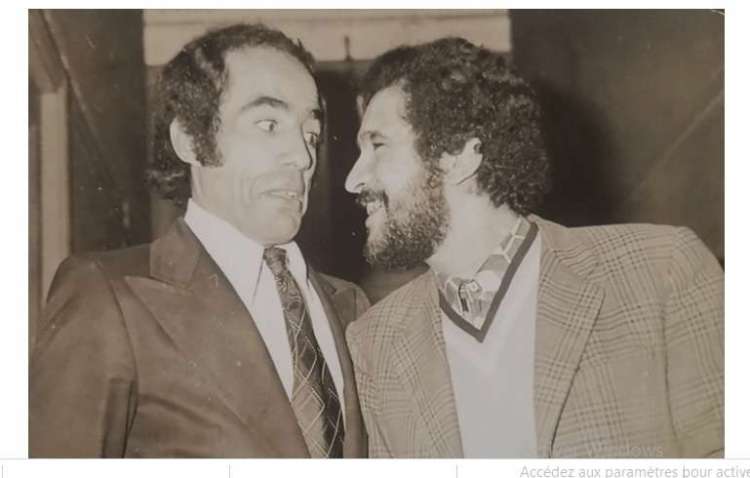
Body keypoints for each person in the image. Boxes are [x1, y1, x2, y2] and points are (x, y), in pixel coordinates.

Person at [344, 38, 723, 458]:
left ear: (459, 156)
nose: (353, 179)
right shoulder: (374, 342)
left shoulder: (662, 272)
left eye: (377, 146)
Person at [30, 23, 369, 458]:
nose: (303, 157)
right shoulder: (109, 296)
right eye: (269, 125)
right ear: (190, 140)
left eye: (311, 134)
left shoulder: (352, 307)